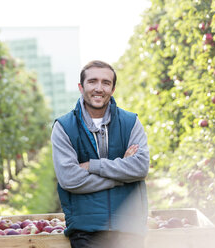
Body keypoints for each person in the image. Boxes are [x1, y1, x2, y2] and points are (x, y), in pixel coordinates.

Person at [51, 60, 150, 248]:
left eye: (106, 83)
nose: (99, 88)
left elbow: (140, 167)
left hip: (129, 225)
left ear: (112, 89)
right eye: (92, 81)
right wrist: (124, 175)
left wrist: (93, 166)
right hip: (85, 229)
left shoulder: (131, 122)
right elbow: (70, 179)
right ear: (81, 87)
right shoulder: (63, 127)